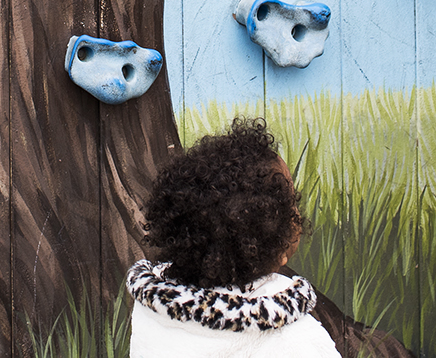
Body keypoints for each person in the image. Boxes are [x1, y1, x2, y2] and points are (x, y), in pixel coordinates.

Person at [126, 118, 337, 356]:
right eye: (291, 204)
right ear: (279, 249)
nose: (298, 211)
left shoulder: (151, 312)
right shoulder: (299, 339)